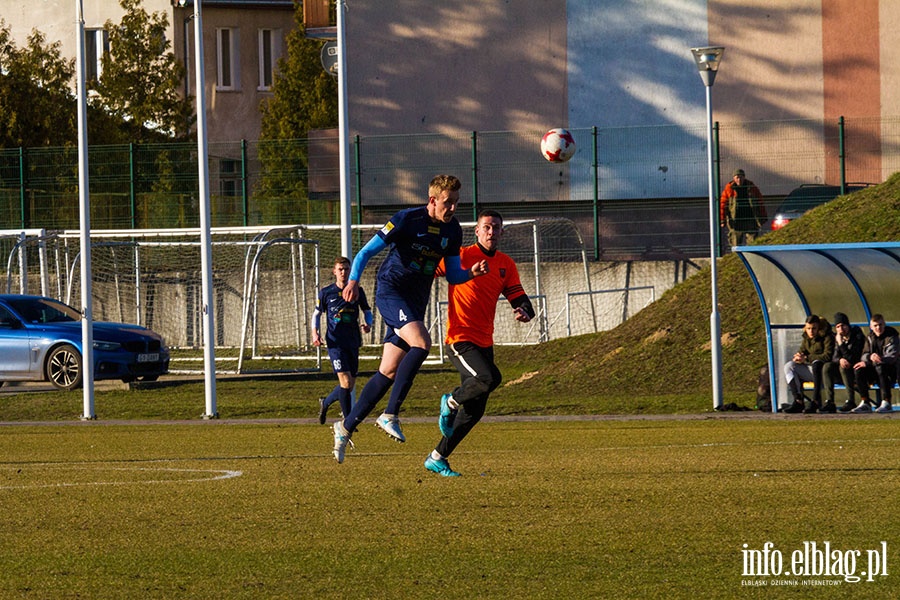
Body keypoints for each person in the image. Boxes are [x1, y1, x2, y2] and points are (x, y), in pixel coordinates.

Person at [331, 174, 488, 463]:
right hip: (391, 292)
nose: (452, 208)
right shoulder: (406, 219)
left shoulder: (452, 231)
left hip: (415, 302)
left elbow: (452, 274)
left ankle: (345, 425)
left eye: (455, 203)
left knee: (388, 371)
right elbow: (366, 252)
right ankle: (390, 414)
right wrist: (353, 280)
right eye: (447, 202)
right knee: (422, 342)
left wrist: (470, 274)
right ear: (432, 200)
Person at [424, 210, 535, 477]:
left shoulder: (506, 264)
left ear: (501, 232)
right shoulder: (460, 256)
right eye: (486, 227)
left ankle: (437, 457)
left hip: (484, 341)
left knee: (475, 410)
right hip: (460, 339)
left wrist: (525, 311)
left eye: (496, 227)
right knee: (489, 378)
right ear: (477, 231)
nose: (491, 231)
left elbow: (518, 296)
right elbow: (428, 269)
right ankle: (449, 402)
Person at [311, 257, 373, 425]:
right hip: (335, 342)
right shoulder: (326, 292)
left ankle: (326, 402)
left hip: (352, 341)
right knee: (345, 382)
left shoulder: (357, 290)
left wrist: (368, 324)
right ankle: (348, 421)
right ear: (334, 271)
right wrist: (315, 334)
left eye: (346, 269)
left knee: (349, 386)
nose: (343, 272)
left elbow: (367, 311)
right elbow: (316, 314)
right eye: (340, 269)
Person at [782, 314, 834, 413]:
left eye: (814, 328)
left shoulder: (827, 337)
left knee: (816, 363)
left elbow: (827, 356)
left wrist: (806, 358)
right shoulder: (806, 338)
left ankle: (815, 401)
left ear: (819, 327)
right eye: (808, 328)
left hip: (824, 372)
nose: (811, 331)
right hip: (811, 371)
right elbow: (802, 351)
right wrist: (797, 357)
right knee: (789, 366)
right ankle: (798, 400)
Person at [851, 313, 898, 413]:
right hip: (874, 368)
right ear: (871, 327)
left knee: (880, 367)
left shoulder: (892, 336)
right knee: (859, 369)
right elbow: (864, 354)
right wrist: (869, 357)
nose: (878, 328)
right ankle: (865, 402)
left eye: (880, 325)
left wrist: (877, 359)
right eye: (875, 325)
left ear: (884, 324)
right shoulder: (869, 337)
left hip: (890, 370)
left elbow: (892, 357)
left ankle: (887, 402)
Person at [825, 312, 866, 413]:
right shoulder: (838, 338)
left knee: (843, 366)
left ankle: (850, 400)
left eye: (843, 325)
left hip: (856, 370)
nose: (841, 329)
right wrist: (840, 359)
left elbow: (852, 358)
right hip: (843, 371)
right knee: (827, 366)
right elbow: (834, 357)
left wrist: (841, 344)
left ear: (848, 325)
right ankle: (830, 401)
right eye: (838, 326)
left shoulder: (857, 336)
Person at [719, 168, 767, 248]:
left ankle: (752, 258)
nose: (739, 179)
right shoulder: (729, 189)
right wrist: (722, 220)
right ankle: (737, 259)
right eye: (737, 177)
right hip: (735, 221)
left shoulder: (752, 188)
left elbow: (760, 202)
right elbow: (723, 206)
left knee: (753, 244)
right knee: (735, 244)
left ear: (744, 177)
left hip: (750, 219)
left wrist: (763, 217)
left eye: (741, 177)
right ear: (734, 178)